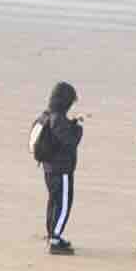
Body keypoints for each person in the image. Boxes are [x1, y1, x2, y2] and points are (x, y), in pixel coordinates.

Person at [29, 84, 88, 252]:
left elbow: (58, 134)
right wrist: (79, 127)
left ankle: (53, 235)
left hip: (49, 169)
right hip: (61, 170)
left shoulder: (46, 116)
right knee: (63, 205)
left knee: (54, 202)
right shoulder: (58, 119)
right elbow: (70, 141)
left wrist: (73, 121)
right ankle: (55, 240)